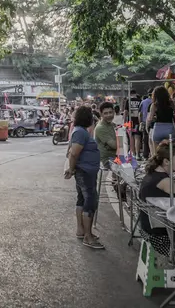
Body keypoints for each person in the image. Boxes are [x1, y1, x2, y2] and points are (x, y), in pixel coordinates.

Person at [139, 141, 175, 255]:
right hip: (161, 237)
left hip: (147, 229)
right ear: (166, 161)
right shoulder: (167, 182)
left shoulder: (151, 174)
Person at [64, 106, 103, 249]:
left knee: (82, 199)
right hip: (85, 172)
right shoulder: (80, 132)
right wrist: (72, 169)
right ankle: (88, 236)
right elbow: (74, 153)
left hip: (84, 171)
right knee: (90, 201)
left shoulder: (80, 131)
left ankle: (82, 230)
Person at [147, 86, 175, 153]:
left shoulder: (154, 105)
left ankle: (157, 161)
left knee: (156, 152)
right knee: (170, 151)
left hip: (158, 129)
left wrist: (148, 123)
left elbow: (150, 118)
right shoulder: (171, 103)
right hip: (169, 129)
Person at [94, 102, 117, 169]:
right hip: (107, 160)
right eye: (105, 113)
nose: (109, 115)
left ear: (114, 112)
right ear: (101, 114)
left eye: (110, 112)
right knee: (129, 168)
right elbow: (115, 146)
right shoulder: (100, 128)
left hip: (116, 157)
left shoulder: (113, 125)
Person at [124, 90, 142, 159]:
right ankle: (138, 154)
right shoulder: (139, 100)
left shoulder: (128, 101)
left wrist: (125, 122)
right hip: (137, 121)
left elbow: (125, 112)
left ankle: (133, 153)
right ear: (135, 93)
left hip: (129, 122)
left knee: (131, 137)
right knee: (137, 137)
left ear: (130, 94)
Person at [139, 93, 153, 159]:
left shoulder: (143, 102)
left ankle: (145, 155)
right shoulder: (155, 102)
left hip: (145, 122)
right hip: (154, 123)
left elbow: (140, 113)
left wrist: (140, 122)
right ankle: (152, 154)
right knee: (153, 140)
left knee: (145, 139)